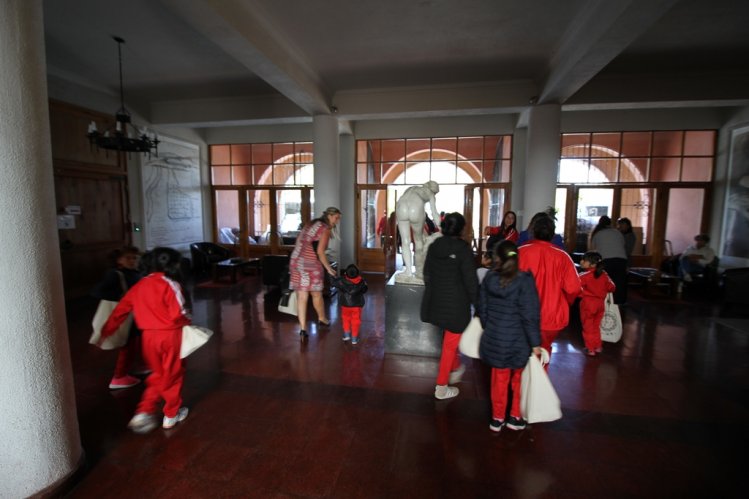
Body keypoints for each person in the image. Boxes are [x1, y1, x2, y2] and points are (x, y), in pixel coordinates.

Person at [100, 247, 192, 433]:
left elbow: (120, 311)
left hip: (148, 338)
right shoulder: (170, 284)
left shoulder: (139, 285)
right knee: (174, 374)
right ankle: (168, 413)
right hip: (171, 336)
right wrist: (189, 324)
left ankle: (147, 410)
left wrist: (106, 332)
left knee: (159, 373)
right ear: (172, 265)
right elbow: (179, 313)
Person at [478, 240, 542, 432]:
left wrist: (490, 327)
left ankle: (497, 419)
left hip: (496, 338)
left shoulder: (489, 278)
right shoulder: (525, 281)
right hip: (519, 340)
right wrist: (535, 343)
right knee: (519, 379)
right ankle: (515, 416)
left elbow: (482, 308)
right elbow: (530, 315)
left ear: (497, 258)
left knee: (499, 379)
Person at [421, 212, 479, 400]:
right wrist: (479, 306)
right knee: (449, 345)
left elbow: (426, 273)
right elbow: (471, 281)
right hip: (456, 306)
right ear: (461, 229)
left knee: (448, 339)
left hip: (437, 302)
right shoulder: (463, 249)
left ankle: (455, 368)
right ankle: (441, 386)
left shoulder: (435, 245)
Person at [518, 216, 581, 365]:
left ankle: (519, 387)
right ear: (553, 234)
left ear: (532, 231)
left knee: (521, 354)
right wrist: (564, 302)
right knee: (544, 352)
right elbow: (574, 288)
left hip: (523, 313)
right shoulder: (563, 256)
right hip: (552, 315)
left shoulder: (520, 252)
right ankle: (539, 384)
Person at [91, 246, 145, 390]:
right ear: (118, 260)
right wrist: (121, 297)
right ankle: (119, 376)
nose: (133, 260)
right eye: (128, 258)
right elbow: (97, 291)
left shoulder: (134, 272)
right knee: (128, 345)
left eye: (135, 258)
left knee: (136, 342)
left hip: (135, 314)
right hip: (126, 315)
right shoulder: (115, 274)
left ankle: (136, 367)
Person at [290, 207, 342, 339]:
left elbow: (298, 242)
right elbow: (320, 251)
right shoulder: (325, 228)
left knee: (302, 297)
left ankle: (303, 329)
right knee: (316, 294)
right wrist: (329, 268)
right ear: (329, 216)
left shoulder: (311, 224)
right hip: (310, 264)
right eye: (336, 218)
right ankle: (322, 318)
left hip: (296, 261)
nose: (337, 221)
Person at [395, 181, 440, 281]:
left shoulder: (412, 188)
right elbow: (435, 213)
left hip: (400, 206)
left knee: (405, 242)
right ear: (433, 190)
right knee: (418, 240)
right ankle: (419, 270)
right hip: (415, 209)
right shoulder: (430, 194)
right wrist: (442, 229)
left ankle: (408, 271)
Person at [578, 251, 616, 357]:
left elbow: (575, 288)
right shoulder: (604, 275)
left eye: (584, 260)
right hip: (600, 304)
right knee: (596, 326)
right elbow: (612, 287)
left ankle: (590, 349)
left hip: (588, 304)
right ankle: (598, 346)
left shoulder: (584, 276)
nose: (581, 262)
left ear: (592, 264)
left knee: (588, 327)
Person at [590, 216, 628, 304]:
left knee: (604, 283)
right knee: (619, 285)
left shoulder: (597, 233)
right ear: (610, 223)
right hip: (621, 260)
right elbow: (623, 246)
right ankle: (619, 306)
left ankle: (605, 304)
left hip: (605, 261)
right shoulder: (618, 233)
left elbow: (592, 250)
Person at [331, 264, 368, 345]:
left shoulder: (341, 281)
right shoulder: (361, 281)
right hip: (357, 305)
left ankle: (346, 334)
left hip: (345, 304)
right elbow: (365, 290)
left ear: (345, 273)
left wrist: (332, 275)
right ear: (358, 273)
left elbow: (333, 283)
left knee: (345, 319)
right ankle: (354, 338)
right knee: (356, 321)